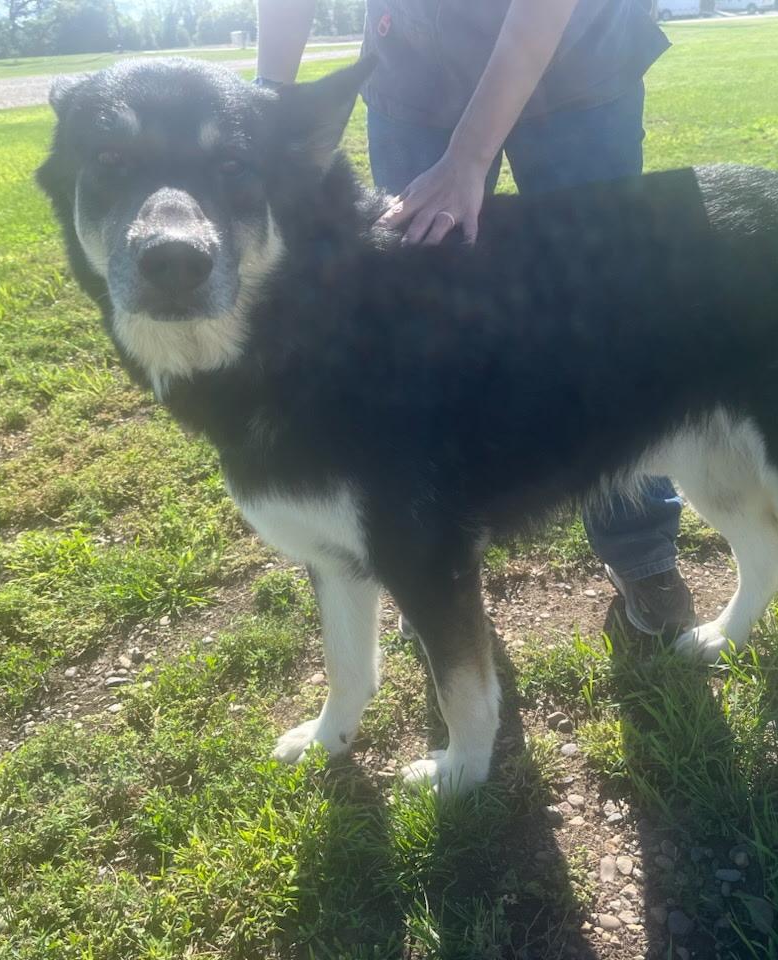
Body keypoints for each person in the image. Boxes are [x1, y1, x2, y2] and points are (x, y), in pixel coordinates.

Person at [256, 0, 694, 638]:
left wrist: (469, 157)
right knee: (416, 337)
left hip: (577, 68)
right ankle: (431, 552)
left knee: (605, 317)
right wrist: (267, 105)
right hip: (413, 72)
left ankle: (642, 552)